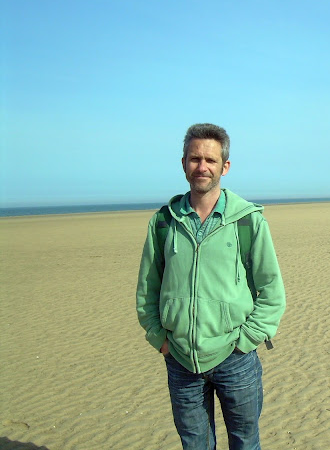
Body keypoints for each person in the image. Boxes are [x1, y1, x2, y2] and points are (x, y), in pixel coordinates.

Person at [136, 123, 286, 450]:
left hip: (236, 359)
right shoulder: (163, 223)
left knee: (245, 443)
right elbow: (148, 290)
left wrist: (245, 340)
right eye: (194, 159)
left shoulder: (248, 220)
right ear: (183, 164)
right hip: (180, 359)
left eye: (210, 160)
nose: (201, 166)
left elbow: (272, 292)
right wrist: (159, 338)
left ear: (225, 167)